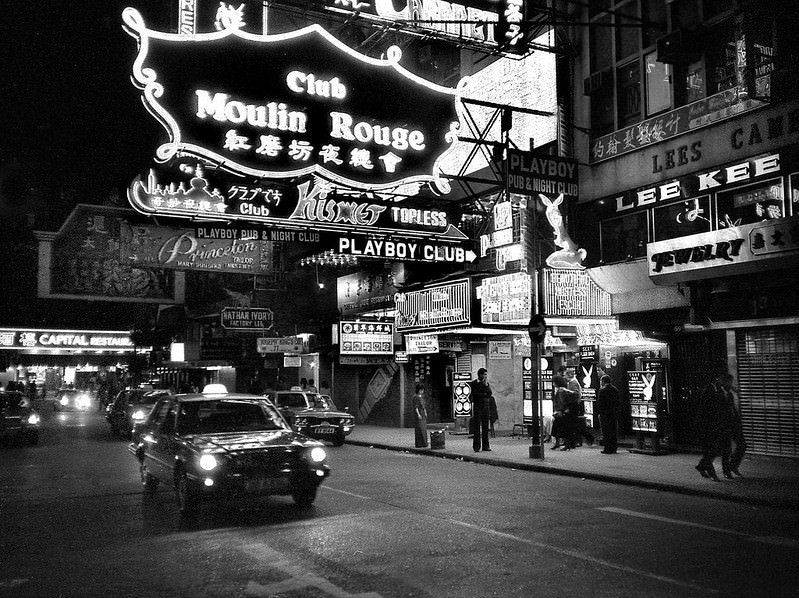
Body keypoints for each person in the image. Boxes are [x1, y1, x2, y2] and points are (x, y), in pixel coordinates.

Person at [695, 373, 735, 481]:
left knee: (725, 450)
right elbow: (707, 410)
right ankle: (711, 472)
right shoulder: (710, 391)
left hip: (723, 425)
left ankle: (724, 471)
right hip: (711, 427)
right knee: (712, 451)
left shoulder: (725, 392)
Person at [720, 374, 746, 478]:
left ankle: (733, 466)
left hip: (734, 424)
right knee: (726, 449)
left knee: (742, 444)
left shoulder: (731, 394)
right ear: (725, 382)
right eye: (730, 382)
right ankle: (727, 471)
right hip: (725, 425)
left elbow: (733, 409)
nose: (732, 384)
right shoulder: (719, 394)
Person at [567, 367, 595, 447]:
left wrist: (566, 392)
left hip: (574, 405)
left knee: (574, 425)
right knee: (574, 425)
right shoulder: (573, 382)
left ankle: (587, 437)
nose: (565, 377)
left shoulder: (573, 383)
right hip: (574, 405)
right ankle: (574, 441)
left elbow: (575, 393)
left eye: (566, 375)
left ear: (569, 375)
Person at [551, 375, 579, 450]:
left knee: (560, 428)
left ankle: (563, 444)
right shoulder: (563, 389)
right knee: (559, 427)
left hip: (562, 412)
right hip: (564, 411)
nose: (553, 383)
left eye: (554, 382)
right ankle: (563, 444)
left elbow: (562, 402)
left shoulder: (561, 391)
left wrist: (560, 410)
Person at [470, 368, 493, 452]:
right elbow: (474, 394)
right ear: (480, 375)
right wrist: (483, 394)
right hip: (477, 406)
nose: (485, 376)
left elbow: (490, 393)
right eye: (484, 374)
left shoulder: (486, 384)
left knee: (485, 427)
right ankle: (476, 446)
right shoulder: (473, 383)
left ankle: (486, 446)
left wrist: (486, 385)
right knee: (476, 427)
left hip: (485, 407)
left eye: (486, 374)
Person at [596, 375, 620, 454]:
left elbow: (600, 403)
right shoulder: (615, 389)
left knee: (606, 431)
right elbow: (617, 402)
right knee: (613, 431)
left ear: (603, 381)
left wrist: (600, 413)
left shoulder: (602, 390)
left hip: (605, 414)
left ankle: (607, 448)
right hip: (613, 414)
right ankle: (614, 448)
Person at [413, 384, 428, 448]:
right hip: (419, 414)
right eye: (421, 390)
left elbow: (424, 406)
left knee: (424, 429)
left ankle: (424, 442)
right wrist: (418, 414)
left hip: (423, 414)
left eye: (422, 390)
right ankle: (420, 443)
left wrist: (425, 412)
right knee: (420, 429)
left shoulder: (421, 397)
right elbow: (416, 407)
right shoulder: (416, 397)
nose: (422, 391)